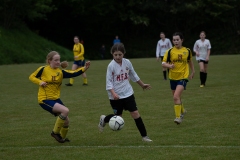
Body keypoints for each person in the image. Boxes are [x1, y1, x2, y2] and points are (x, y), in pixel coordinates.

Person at [29, 51, 90, 143]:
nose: (58, 62)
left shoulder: (60, 72)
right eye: (56, 60)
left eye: (59, 60)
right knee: (65, 111)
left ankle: (62, 138)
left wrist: (85, 68)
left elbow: (73, 73)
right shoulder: (43, 69)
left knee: (66, 121)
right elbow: (31, 77)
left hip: (55, 99)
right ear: (49, 61)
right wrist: (40, 82)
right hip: (44, 99)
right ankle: (55, 133)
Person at [98, 43, 152, 142]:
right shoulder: (111, 66)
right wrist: (114, 94)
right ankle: (104, 119)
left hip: (128, 93)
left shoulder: (127, 62)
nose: (118, 57)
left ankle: (145, 136)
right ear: (112, 54)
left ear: (124, 54)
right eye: (115, 55)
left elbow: (133, 74)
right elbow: (109, 82)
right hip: (115, 96)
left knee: (135, 113)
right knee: (118, 117)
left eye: (120, 54)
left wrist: (142, 85)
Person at [162, 32, 195, 125]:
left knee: (176, 97)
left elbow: (190, 61)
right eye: (174, 40)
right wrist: (169, 66)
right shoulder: (169, 51)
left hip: (183, 77)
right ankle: (182, 110)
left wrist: (193, 71)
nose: (176, 41)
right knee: (177, 97)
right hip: (172, 77)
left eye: (177, 40)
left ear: (182, 40)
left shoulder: (187, 51)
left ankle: (178, 117)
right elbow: (163, 63)